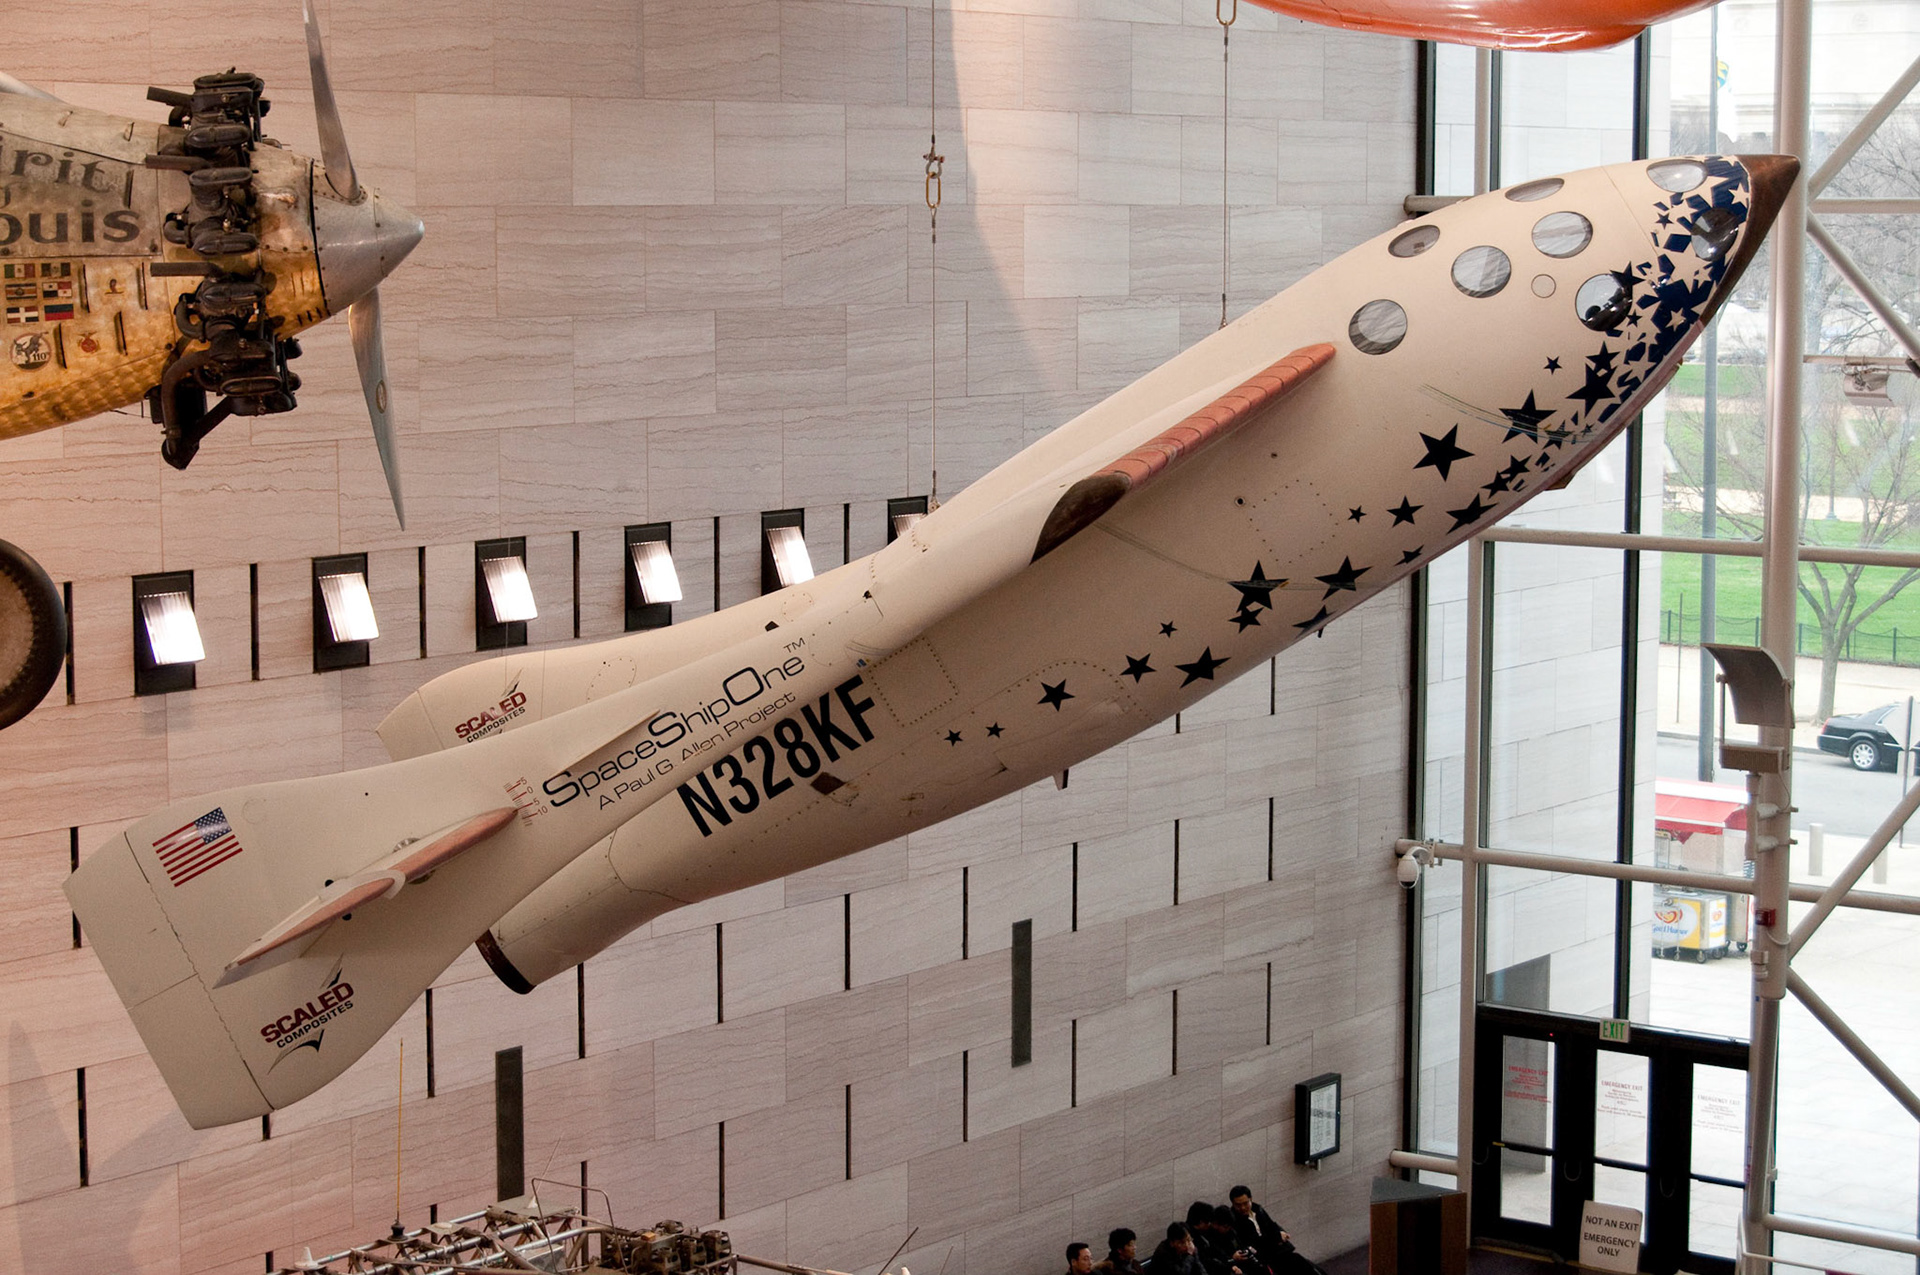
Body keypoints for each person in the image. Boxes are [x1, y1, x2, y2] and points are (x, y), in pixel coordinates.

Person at [1228, 1186, 1324, 1275]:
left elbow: (1271, 1225)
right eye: (1238, 1205)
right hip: (1264, 1258)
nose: (1243, 1208)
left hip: (1277, 1251)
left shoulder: (1257, 1209)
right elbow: (1252, 1243)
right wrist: (1276, 1237)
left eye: (1246, 1203)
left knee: (1303, 1263)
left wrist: (1281, 1232)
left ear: (1251, 1199)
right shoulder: (1234, 1221)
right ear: (1233, 1204)